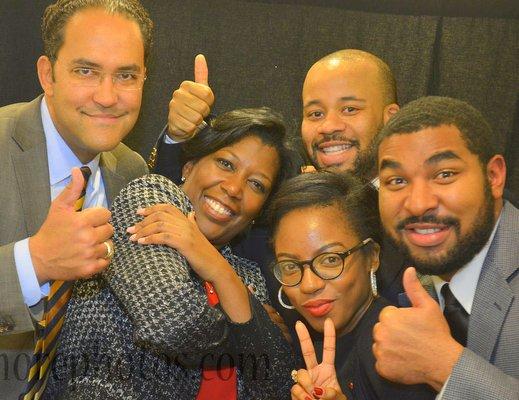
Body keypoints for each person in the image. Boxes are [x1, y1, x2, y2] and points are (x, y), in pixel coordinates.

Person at [44, 108, 298, 399]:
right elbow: (171, 323)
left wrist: (218, 269)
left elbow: (277, 384)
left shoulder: (246, 273)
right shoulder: (151, 198)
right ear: (189, 167)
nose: (233, 188)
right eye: (226, 164)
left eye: (256, 184)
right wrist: (254, 327)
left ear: (260, 210)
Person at [152, 50, 403, 317]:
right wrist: (177, 137)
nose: (329, 126)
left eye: (349, 109)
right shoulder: (278, 210)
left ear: (391, 118)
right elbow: (183, 211)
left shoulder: (423, 213)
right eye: (316, 113)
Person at [0, 1, 151, 398]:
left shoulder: (132, 172)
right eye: (86, 71)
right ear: (48, 75)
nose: (106, 96)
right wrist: (35, 262)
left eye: (126, 75)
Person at [371, 96, 519, 399]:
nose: (418, 204)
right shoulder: (412, 288)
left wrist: (443, 366)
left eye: (444, 175)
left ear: (493, 176)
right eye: (397, 180)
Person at [267, 172, 434, 400]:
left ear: (372, 257)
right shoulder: (319, 351)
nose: (309, 284)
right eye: (290, 266)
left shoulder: (397, 349)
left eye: (330, 260)